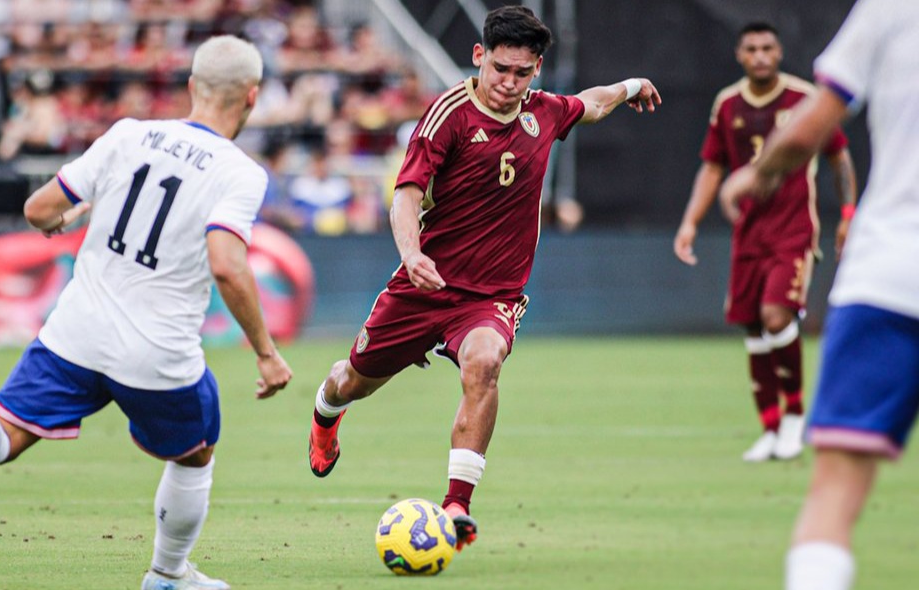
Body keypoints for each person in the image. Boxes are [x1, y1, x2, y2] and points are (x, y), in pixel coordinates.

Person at [306, 5, 660, 551]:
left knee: (485, 361)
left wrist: (633, 83)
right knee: (354, 380)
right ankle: (326, 414)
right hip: (423, 287)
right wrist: (411, 253)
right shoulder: (447, 115)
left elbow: (592, 103)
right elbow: (404, 197)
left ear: (536, 69)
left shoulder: (544, 113)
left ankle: (456, 505)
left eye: (522, 73)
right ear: (479, 57)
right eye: (499, 69)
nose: (508, 83)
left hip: (492, 296)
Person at [0, 35, 293, 590]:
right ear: (252, 98)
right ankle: (167, 576)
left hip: (76, 334)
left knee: (3, 435)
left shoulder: (129, 133)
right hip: (156, 353)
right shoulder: (241, 173)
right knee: (196, 453)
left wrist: (60, 223)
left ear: (191, 86)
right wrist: (266, 351)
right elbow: (229, 266)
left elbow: (38, 208)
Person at [720, 2, 916, 588]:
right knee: (762, 319)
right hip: (885, 269)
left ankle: (787, 422)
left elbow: (814, 126)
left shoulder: (890, 8)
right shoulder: (727, 104)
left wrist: (757, 174)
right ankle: (778, 421)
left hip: (892, 273)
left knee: (834, 492)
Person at [673, 22, 858, 463]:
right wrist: (689, 223)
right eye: (751, 48)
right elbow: (713, 167)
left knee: (776, 316)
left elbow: (839, 156)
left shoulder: (804, 99)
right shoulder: (728, 104)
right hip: (748, 233)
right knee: (752, 325)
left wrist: (848, 214)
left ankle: (796, 419)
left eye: (767, 48)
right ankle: (770, 428)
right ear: (740, 54)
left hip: (793, 230)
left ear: (778, 53)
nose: (760, 55)